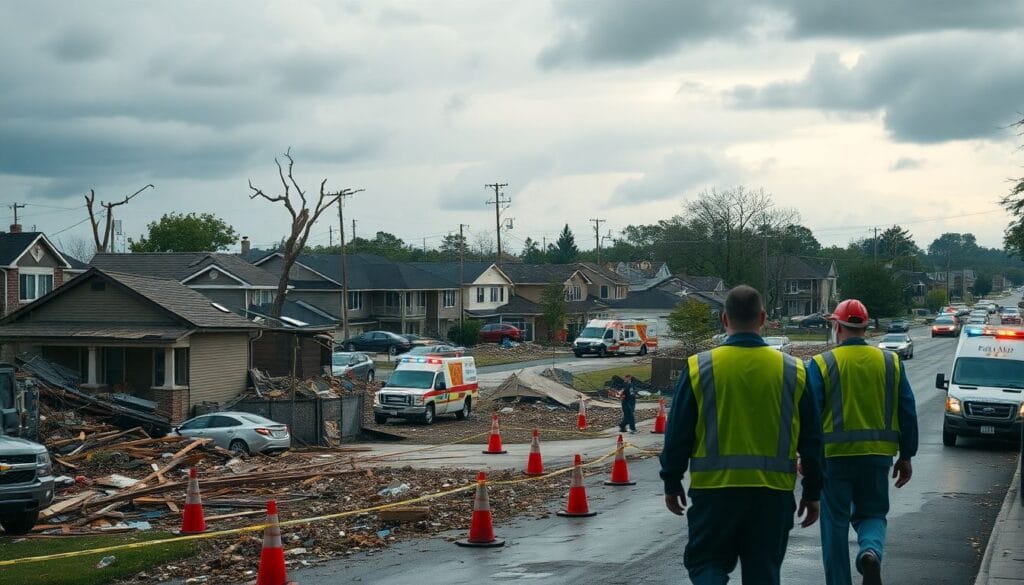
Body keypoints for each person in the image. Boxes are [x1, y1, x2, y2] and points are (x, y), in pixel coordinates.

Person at [661, 285, 823, 585]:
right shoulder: (794, 370)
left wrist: (671, 481)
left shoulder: (700, 367)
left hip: (714, 494)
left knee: (707, 564)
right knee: (763, 574)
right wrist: (813, 492)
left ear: (724, 319)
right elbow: (812, 441)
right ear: (763, 318)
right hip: (772, 495)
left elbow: (678, 434)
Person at [808, 299, 918, 585]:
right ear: (866, 328)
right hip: (877, 457)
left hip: (834, 459)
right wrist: (906, 456)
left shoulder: (822, 363)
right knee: (873, 514)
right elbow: (907, 409)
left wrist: (806, 458)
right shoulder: (890, 361)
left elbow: (808, 417)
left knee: (834, 526)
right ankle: (870, 551)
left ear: (836, 326)